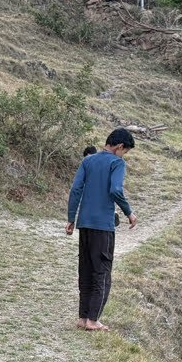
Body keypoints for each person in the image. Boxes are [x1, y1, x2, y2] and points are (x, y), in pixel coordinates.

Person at [66, 129, 137, 331]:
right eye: (125, 152)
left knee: (86, 270)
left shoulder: (88, 161)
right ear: (119, 147)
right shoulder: (117, 163)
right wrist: (128, 212)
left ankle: (82, 317)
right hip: (103, 226)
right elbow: (115, 190)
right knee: (102, 273)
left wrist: (71, 218)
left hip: (84, 223)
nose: (124, 156)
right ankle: (93, 320)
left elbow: (76, 189)